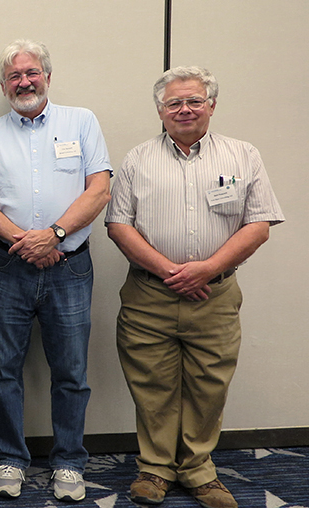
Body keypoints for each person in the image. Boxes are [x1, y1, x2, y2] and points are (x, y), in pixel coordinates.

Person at [105, 66, 284, 508]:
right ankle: (155, 468)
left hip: (216, 294)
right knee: (152, 383)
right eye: (173, 103)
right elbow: (117, 225)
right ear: (160, 111)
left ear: (211, 105)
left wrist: (205, 269)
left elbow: (259, 225)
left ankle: (200, 470)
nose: (184, 110)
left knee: (210, 383)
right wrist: (172, 271)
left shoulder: (243, 156)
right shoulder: (137, 159)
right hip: (149, 295)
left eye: (194, 101)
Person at [0, 39, 112, 503]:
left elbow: (99, 190)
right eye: (14, 76)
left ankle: (69, 461)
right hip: (8, 266)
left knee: (71, 371)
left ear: (47, 77)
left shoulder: (82, 121)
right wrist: (25, 242)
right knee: (2, 370)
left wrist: (52, 235)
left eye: (32, 73)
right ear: (3, 85)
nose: (24, 82)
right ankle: (10, 458)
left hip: (69, 267)